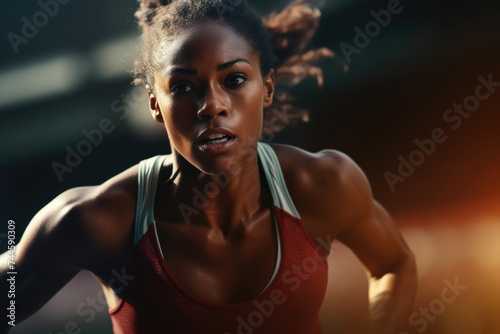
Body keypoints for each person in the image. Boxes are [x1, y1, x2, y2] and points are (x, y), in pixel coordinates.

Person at [0, 0, 417, 333]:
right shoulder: (97, 221)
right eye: (183, 87)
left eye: (234, 79)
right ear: (153, 105)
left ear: (266, 88)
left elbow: (393, 264)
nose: (212, 106)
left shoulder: (324, 184)